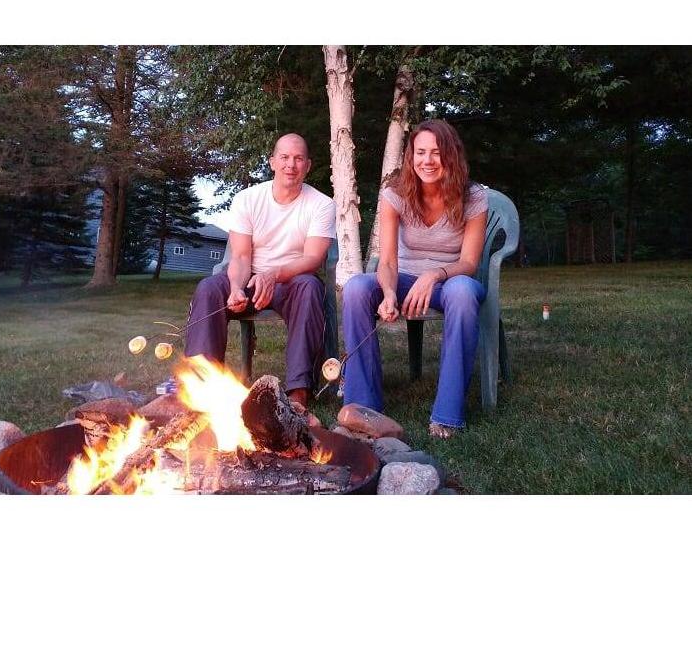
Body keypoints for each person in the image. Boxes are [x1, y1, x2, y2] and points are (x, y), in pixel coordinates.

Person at [341, 119, 488, 439]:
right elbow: (389, 260)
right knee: (356, 288)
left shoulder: (474, 196)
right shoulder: (395, 194)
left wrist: (434, 275)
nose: (428, 160)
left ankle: (447, 416)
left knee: (463, 293)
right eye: (420, 152)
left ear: (451, 155)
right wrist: (390, 292)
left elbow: (469, 263)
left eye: (436, 152)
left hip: (451, 280)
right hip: (404, 277)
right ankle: (363, 406)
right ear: (411, 156)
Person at [184, 133, 336, 411]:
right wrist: (236, 288)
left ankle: (298, 392)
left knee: (311, 287)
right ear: (272, 162)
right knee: (209, 288)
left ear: (308, 166)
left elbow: (313, 259)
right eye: (285, 157)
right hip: (249, 275)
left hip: (293, 279)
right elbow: (240, 256)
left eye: (298, 158)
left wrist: (274, 274)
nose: (291, 164)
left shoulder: (322, 204)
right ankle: (201, 387)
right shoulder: (247, 199)